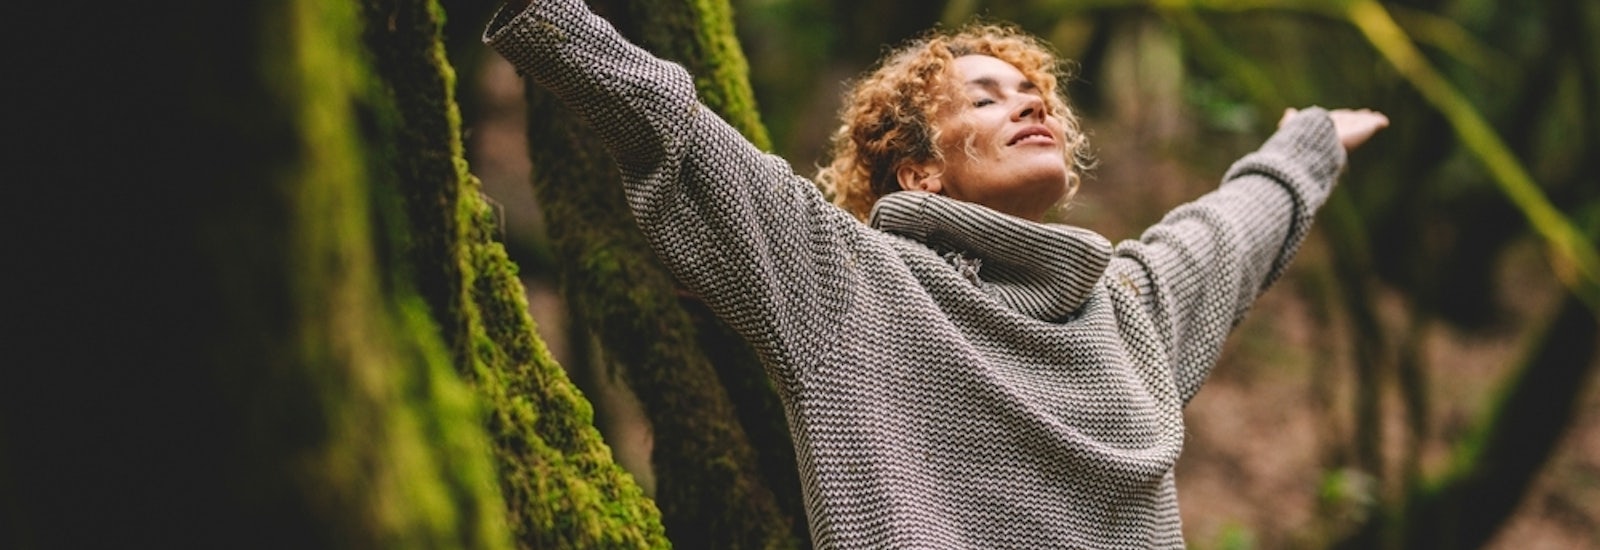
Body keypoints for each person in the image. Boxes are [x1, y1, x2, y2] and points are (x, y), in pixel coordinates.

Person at [485, 0, 1389, 547]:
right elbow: (677, 131)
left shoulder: (1128, 315)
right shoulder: (847, 285)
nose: (1029, 100)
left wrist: (1306, 146)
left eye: (1032, 93)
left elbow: (1224, 233)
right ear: (918, 170)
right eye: (984, 97)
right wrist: (545, 19)